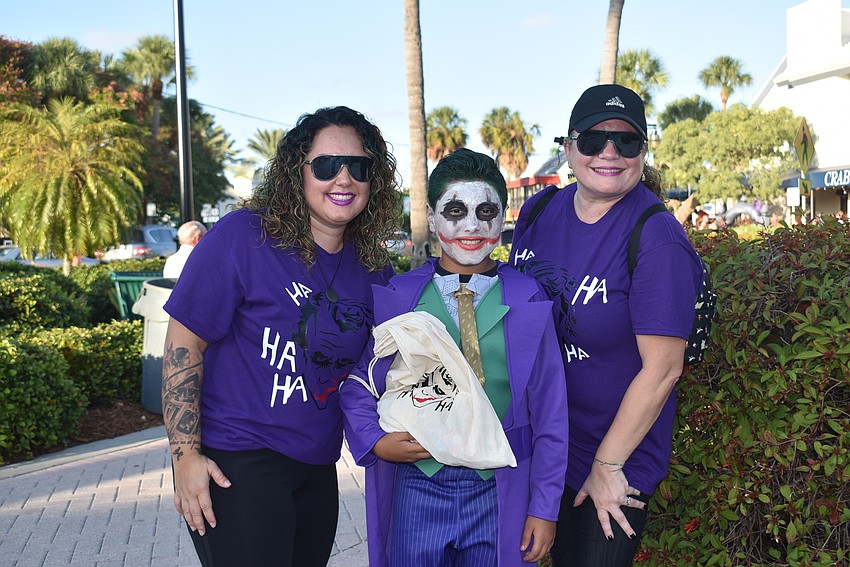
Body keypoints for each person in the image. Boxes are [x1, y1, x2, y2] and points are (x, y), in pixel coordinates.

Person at [160, 106, 401, 567]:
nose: (343, 178)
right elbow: (182, 345)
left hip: (316, 466)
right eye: (327, 165)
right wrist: (185, 458)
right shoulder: (243, 237)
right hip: (239, 461)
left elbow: (377, 370)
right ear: (298, 172)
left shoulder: (372, 266)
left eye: (360, 166)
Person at [341, 148, 568, 566]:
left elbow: (551, 412)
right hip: (418, 485)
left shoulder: (528, 296)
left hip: (500, 488)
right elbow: (360, 383)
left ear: (503, 218)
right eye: (456, 210)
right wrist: (374, 441)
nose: (471, 226)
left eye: (486, 211)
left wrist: (544, 508)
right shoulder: (400, 297)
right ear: (431, 217)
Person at [510, 84, 703, 567]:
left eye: (627, 142)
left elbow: (663, 369)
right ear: (569, 147)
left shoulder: (656, 237)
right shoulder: (541, 210)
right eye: (594, 140)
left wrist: (605, 465)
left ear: (643, 150)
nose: (609, 153)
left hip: (612, 459)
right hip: (538, 446)